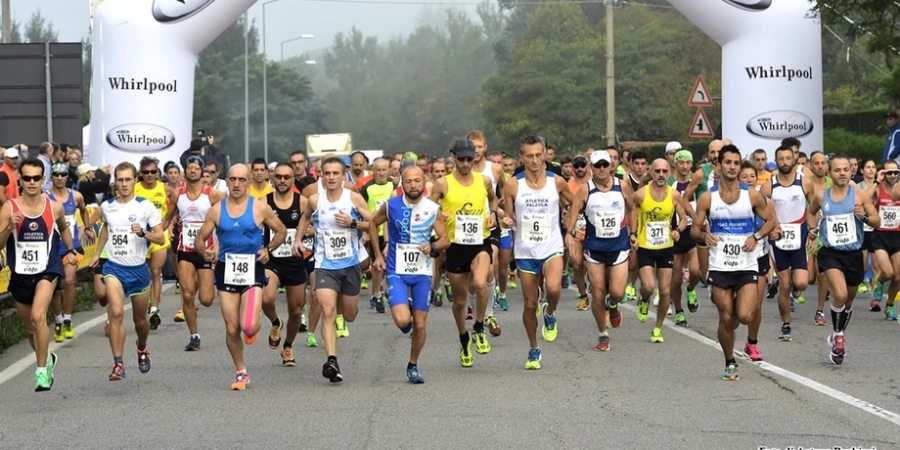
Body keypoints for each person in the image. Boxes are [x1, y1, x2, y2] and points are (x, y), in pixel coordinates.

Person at [195, 164, 286, 390]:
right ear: (226, 181)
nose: (236, 184)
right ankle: (241, 372)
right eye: (232, 179)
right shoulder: (217, 210)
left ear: (248, 182)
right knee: (232, 327)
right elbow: (200, 237)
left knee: (248, 326)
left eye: (241, 180)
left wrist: (268, 249)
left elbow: (281, 230)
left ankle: (259, 326)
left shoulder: (260, 208)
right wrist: (204, 251)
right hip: (226, 270)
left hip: (252, 268)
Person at [691, 145, 776, 381]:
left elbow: (770, 221)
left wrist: (756, 237)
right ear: (718, 166)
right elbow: (695, 231)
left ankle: (739, 308)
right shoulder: (708, 198)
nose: (732, 167)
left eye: (736, 163)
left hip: (746, 263)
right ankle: (729, 360)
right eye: (727, 162)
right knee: (725, 317)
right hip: (720, 264)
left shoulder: (751, 195)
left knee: (746, 315)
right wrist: (704, 236)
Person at [0, 158, 77, 391]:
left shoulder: (54, 207)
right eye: (27, 178)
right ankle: (48, 359)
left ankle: (41, 371)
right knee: (31, 329)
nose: (32, 182)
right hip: (20, 272)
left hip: (48, 268)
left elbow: (63, 227)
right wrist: (8, 228)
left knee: (37, 316)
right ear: (20, 180)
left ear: (43, 180)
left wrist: (71, 250)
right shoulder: (9, 208)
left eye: (36, 178)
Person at [294, 156, 371, 383]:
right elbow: (304, 219)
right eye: (327, 174)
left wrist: (353, 224)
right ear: (321, 175)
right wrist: (298, 239)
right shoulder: (315, 200)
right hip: (325, 265)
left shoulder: (354, 198)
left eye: (335, 173)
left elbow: (374, 222)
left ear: (343, 175)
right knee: (327, 310)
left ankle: (344, 315)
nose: (331, 178)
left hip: (350, 264)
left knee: (349, 314)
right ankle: (332, 360)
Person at [370, 165, 449, 383]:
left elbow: (445, 239)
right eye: (408, 181)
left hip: (423, 272)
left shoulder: (433, 208)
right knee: (403, 321)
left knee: (421, 325)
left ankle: (413, 365)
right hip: (397, 270)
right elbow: (372, 224)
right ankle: (404, 308)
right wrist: (378, 255)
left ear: (424, 182)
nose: (413, 185)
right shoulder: (391, 206)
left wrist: (431, 247)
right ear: (401, 184)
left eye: (417, 181)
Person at [502, 136, 573, 369]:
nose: (534, 160)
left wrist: (571, 228)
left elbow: (576, 204)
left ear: (545, 155)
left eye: (538, 155)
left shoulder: (557, 181)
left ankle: (550, 312)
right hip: (525, 250)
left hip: (552, 247)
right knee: (530, 304)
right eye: (529, 156)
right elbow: (509, 216)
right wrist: (506, 220)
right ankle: (534, 348)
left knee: (553, 288)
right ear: (521, 157)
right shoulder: (513, 184)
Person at [91, 162, 166, 381]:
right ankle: (118, 364)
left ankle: (142, 346)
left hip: (139, 270)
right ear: (116, 182)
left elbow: (160, 237)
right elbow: (107, 228)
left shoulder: (146, 207)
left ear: (135, 180)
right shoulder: (108, 206)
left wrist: (143, 233)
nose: (124, 184)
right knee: (115, 312)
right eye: (120, 180)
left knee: (140, 321)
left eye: (128, 179)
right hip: (114, 267)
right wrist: (97, 252)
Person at [429, 139, 498, 367]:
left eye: (470, 159)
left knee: (480, 283)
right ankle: (463, 337)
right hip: (456, 245)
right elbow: (427, 208)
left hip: (480, 241)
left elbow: (493, 199)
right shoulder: (442, 184)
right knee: (459, 301)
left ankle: (479, 326)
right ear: (454, 158)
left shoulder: (485, 180)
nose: (467, 163)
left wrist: (494, 214)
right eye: (462, 159)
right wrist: (440, 214)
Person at [807, 154, 880, 365]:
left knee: (848, 299)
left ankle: (837, 333)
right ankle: (838, 336)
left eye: (845, 170)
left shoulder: (859, 195)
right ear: (830, 173)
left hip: (854, 254)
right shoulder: (822, 196)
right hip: (830, 253)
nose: (842, 173)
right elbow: (811, 213)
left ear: (851, 172)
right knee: (838, 294)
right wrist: (813, 230)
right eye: (837, 170)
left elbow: (876, 220)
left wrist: (863, 217)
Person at [564, 150, 635, 351]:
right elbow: (573, 212)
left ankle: (613, 304)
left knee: (618, 292)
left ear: (610, 166)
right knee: (597, 292)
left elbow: (631, 209)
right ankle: (603, 334)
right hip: (594, 248)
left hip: (618, 247)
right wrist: (569, 233)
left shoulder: (622, 186)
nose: (602, 169)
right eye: (598, 166)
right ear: (591, 168)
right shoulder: (586, 190)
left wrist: (633, 232)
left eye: (605, 165)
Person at [162, 155, 224, 351]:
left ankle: (200, 281)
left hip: (205, 251)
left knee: (206, 299)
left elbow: (228, 217)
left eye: (196, 168)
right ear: (184, 171)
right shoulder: (177, 194)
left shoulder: (212, 194)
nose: (193, 171)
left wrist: (218, 246)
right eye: (189, 168)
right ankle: (194, 336)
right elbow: (167, 218)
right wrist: (157, 232)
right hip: (185, 250)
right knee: (188, 295)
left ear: (202, 171)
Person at [759, 146, 815, 342]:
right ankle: (786, 324)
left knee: (801, 283)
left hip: (799, 237)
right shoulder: (768, 186)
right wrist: (770, 228)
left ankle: (790, 282)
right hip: (778, 239)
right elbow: (760, 213)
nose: (784, 162)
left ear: (794, 160)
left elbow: (813, 209)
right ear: (776, 161)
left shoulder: (805, 183)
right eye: (780, 159)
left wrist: (813, 230)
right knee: (785, 285)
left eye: (787, 158)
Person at [633, 158, 687, 343]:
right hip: (645, 246)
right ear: (651, 172)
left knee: (665, 291)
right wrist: (632, 234)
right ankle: (644, 299)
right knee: (648, 285)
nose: (661, 175)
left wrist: (678, 230)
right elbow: (631, 212)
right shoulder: (640, 194)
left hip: (666, 247)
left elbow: (683, 219)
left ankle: (657, 328)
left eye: (665, 171)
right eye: (658, 171)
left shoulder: (674, 195)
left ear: (669, 173)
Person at [261, 163, 309, 366]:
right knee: (266, 297)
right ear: (273, 178)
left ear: (292, 179)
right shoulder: (264, 202)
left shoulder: (303, 202)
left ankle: (288, 346)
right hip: (271, 259)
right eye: (278, 176)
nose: (282, 180)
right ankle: (275, 322)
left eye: (286, 177)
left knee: (296, 311)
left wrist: (300, 235)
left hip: (295, 261)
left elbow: (316, 227)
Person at [46, 163, 90, 342]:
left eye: (62, 174)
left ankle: (68, 319)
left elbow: (84, 210)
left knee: (69, 281)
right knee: (54, 288)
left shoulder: (76, 196)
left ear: (67, 177)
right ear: (51, 177)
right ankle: (57, 321)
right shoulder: (45, 198)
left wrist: (86, 227)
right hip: (51, 249)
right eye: (55, 174)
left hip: (71, 247)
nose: (59, 177)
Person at [134, 157, 175, 329]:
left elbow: (175, 202)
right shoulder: (134, 189)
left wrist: (166, 222)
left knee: (156, 271)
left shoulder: (164, 188)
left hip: (158, 236)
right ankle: (144, 306)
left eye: (153, 172)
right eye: (146, 172)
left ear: (158, 173)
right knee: (143, 274)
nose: (150, 175)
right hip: (140, 237)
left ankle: (154, 309)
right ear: (141, 174)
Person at [669, 150, 701, 326]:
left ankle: (691, 289)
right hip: (674, 233)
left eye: (688, 162)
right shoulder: (669, 182)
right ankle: (679, 311)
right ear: (675, 163)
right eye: (681, 162)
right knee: (675, 278)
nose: (685, 166)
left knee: (695, 271)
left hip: (692, 231)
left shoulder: (697, 181)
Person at [359, 157, 394, 313]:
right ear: (373, 170)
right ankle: (376, 293)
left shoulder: (394, 185)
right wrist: (365, 231)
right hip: (375, 230)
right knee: (377, 263)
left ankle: (389, 288)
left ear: (389, 170)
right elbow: (360, 210)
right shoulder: (367, 187)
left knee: (390, 261)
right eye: (378, 170)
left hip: (393, 230)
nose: (381, 173)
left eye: (384, 169)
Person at [870, 160, 900, 320]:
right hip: (880, 235)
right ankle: (880, 281)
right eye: (889, 172)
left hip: (897, 235)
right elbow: (864, 198)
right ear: (883, 173)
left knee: (898, 276)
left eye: (896, 172)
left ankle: (889, 306)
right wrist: (876, 181)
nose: (893, 175)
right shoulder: (878, 189)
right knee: (887, 273)